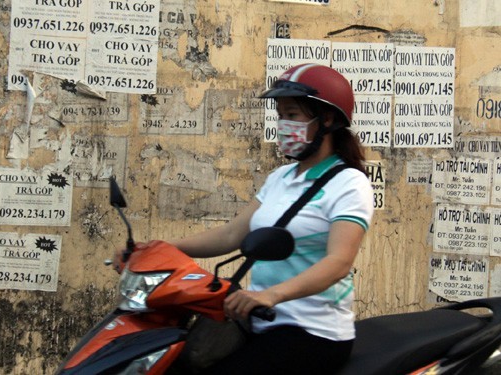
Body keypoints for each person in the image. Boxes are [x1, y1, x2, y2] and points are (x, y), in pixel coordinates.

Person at [117, 63, 374, 374]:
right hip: (257, 321)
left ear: (328, 119)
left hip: (312, 332)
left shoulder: (348, 183)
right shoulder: (281, 177)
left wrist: (271, 295)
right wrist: (156, 250)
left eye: (292, 115)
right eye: (280, 116)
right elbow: (230, 235)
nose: (283, 124)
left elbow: (338, 263)